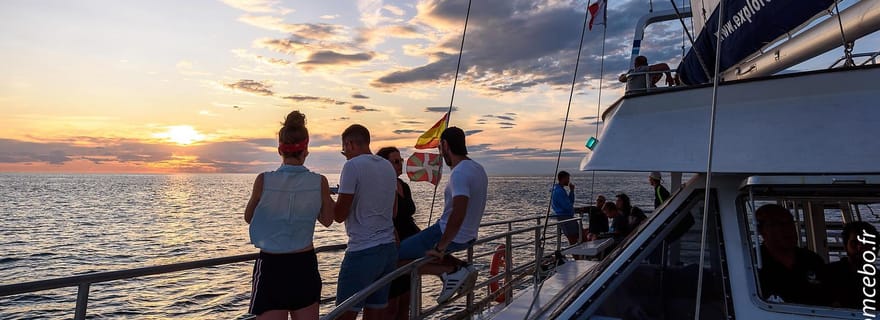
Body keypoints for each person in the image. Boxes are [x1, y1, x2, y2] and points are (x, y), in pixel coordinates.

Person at [244, 111, 335, 320]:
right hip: (304, 266)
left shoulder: (263, 180)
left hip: (272, 267)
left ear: (279, 150)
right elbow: (328, 221)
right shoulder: (319, 181)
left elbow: (249, 217)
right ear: (306, 150)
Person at [397, 127, 488, 303]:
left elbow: (458, 211)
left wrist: (441, 248)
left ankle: (451, 271)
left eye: (440, 147)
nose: (440, 152)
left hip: (448, 233)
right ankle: (461, 266)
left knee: (395, 259)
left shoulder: (459, 173)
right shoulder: (478, 169)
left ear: (445, 145)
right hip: (469, 236)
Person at [333, 124, 399, 320]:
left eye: (344, 149)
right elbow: (393, 210)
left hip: (363, 252)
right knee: (375, 314)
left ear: (350, 144)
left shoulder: (351, 166)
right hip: (388, 250)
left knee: (343, 315)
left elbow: (339, 215)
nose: (344, 154)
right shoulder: (387, 166)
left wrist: (323, 196)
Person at [376, 146, 420, 320]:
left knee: (405, 303)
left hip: (409, 246)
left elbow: (408, 216)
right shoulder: (381, 188)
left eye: (400, 161)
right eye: (395, 161)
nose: (400, 164)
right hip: (394, 248)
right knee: (391, 306)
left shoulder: (403, 186)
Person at [755, 204, 827, 305]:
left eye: (790, 223)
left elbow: (829, 297)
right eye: (778, 224)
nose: (788, 229)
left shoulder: (812, 259)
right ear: (761, 230)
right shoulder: (752, 262)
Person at [823, 221, 879, 308]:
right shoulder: (827, 275)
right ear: (846, 246)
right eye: (854, 243)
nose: (860, 247)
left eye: (866, 243)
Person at [551, 171, 581, 246]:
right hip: (565, 217)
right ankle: (577, 256)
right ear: (563, 179)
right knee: (572, 238)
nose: (568, 180)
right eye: (567, 178)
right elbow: (567, 206)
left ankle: (578, 255)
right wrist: (571, 208)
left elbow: (570, 202)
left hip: (567, 216)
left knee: (578, 235)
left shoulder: (561, 190)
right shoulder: (559, 191)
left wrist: (572, 191)